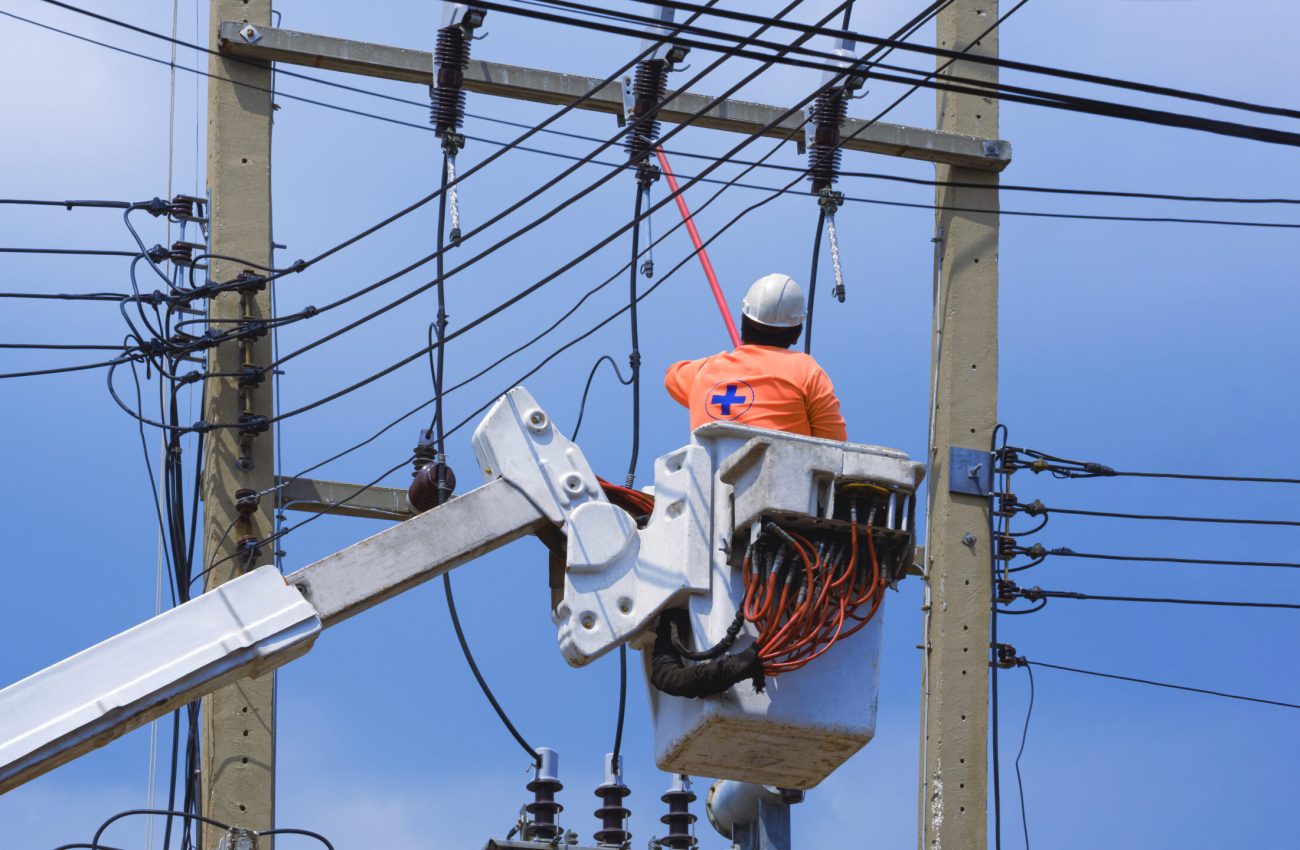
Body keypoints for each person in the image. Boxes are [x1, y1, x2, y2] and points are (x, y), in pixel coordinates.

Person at [664, 273, 847, 441]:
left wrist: (720, 366)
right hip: (782, 474)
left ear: (743, 323)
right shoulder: (806, 370)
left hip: (708, 475)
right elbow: (833, 444)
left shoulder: (702, 371)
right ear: (796, 335)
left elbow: (672, 375)